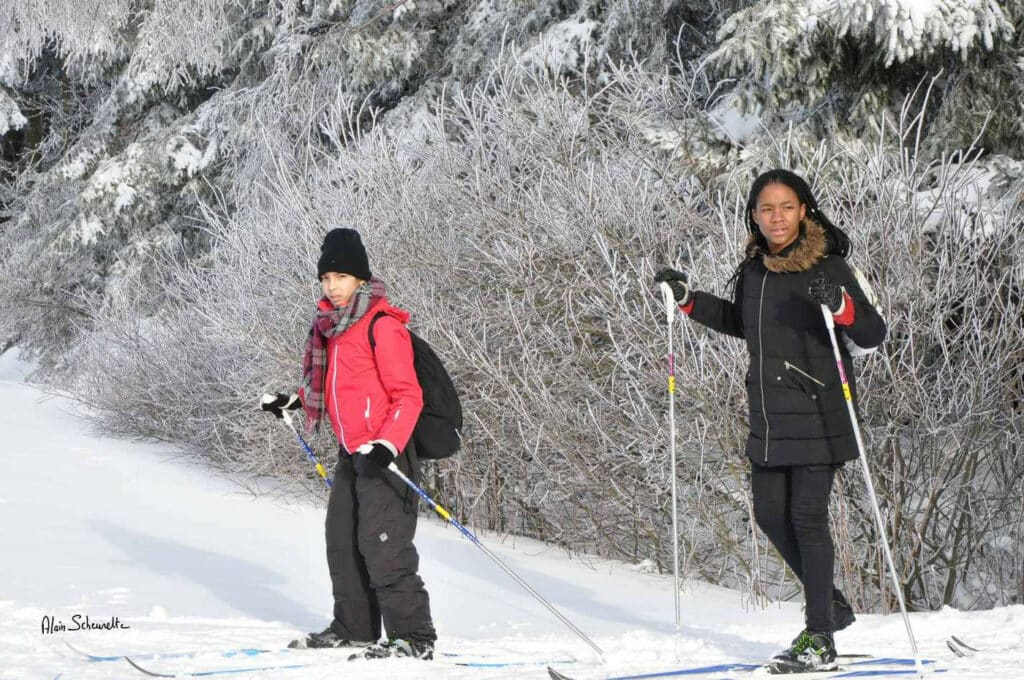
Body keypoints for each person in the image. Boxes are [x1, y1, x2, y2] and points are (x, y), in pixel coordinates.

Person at [654, 169, 886, 673]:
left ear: (803, 210)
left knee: (807, 518)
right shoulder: (755, 271)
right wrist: (690, 301)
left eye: (785, 207)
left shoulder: (829, 266)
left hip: (820, 411)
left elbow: (872, 333)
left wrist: (841, 305)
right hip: (769, 414)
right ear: (754, 216)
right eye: (766, 209)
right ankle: (831, 605)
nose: (776, 217)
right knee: (767, 514)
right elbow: (743, 322)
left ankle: (819, 637)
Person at [261, 227, 437, 660]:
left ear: (360, 278)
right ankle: (355, 628)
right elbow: (340, 389)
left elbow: (408, 396)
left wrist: (388, 444)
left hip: (385, 454)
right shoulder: (334, 331)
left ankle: (414, 638)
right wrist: (296, 401)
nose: (332, 286)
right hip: (351, 453)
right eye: (325, 278)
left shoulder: (382, 326)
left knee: (384, 544)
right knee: (341, 540)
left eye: (340, 276)